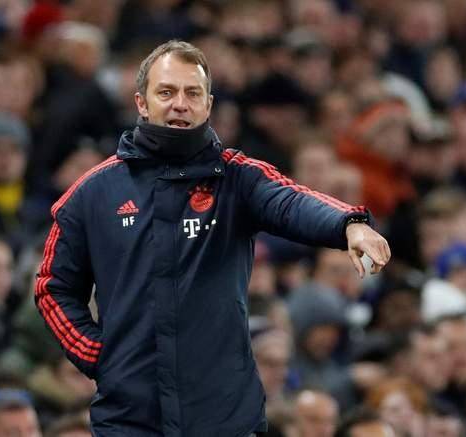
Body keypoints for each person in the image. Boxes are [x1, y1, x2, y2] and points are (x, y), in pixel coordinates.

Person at [35, 40, 390, 437]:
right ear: (141, 103)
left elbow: (291, 200)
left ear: (208, 105)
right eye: (166, 92)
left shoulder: (237, 178)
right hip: (129, 419)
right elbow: (52, 286)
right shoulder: (92, 193)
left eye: (192, 93)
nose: (180, 104)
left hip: (226, 417)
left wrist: (349, 224)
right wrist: (99, 354)